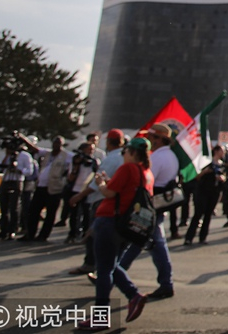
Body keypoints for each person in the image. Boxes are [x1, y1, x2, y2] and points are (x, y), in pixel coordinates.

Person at [80, 136, 153, 331]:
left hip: (110, 220)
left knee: (104, 269)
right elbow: (126, 192)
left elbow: (109, 193)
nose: (123, 155)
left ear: (132, 152)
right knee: (111, 265)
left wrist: (101, 183)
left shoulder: (127, 168)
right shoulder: (146, 173)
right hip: (127, 225)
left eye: (125, 151)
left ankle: (101, 315)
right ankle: (133, 295)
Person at [118, 124, 177, 301]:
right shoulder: (170, 156)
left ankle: (116, 272)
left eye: (152, 137)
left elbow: (147, 180)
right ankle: (117, 272)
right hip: (157, 203)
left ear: (159, 139)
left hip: (150, 203)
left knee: (146, 240)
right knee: (140, 240)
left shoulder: (158, 157)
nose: (149, 141)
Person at [70, 129, 126, 277]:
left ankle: (92, 265)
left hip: (102, 199)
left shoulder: (111, 159)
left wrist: (79, 196)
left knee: (94, 234)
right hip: (115, 201)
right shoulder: (122, 157)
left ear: (108, 142)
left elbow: (97, 182)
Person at [20, 136, 70, 242]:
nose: (56, 145)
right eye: (55, 143)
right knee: (33, 211)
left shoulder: (67, 156)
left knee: (50, 213)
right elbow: (35, 149)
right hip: (41, 186)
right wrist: (23, 138)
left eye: (58, 143)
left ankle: (43, 235)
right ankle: (30, 233)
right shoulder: (47, 153)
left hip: (54, 188)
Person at [184, 144, 226, 245]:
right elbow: (197, 177)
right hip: (203, 191)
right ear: (216, 151)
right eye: (221, 150)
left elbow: (225, 176)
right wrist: (205, 172)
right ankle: (189, 237)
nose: (223, 153)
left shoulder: (222, 165)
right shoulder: (206, 163)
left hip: (215, 191)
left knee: (208, 215)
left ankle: (203, 237)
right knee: (198, 213)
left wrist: (222, 178)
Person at [0, 137, 34, 240]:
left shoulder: (25, 156)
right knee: (3, 206)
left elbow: (29, 171)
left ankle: (13, 229)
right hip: (6, 180)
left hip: (17, 181)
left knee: (14, 207)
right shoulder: (8, 155)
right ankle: (3, 230)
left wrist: (18, 169)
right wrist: (7, 156)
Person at [66, 141, 99, 243]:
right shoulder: (75, 160)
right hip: (76, 189)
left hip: (87, 190)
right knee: (74, 214)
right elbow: (70, 178)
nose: (91, 152)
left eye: (92, 150)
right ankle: (73, 233)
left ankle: (85, 233)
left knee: (86, 213)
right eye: (89, 149)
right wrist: (77, 165)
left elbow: (96, 174)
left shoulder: (94, 161)